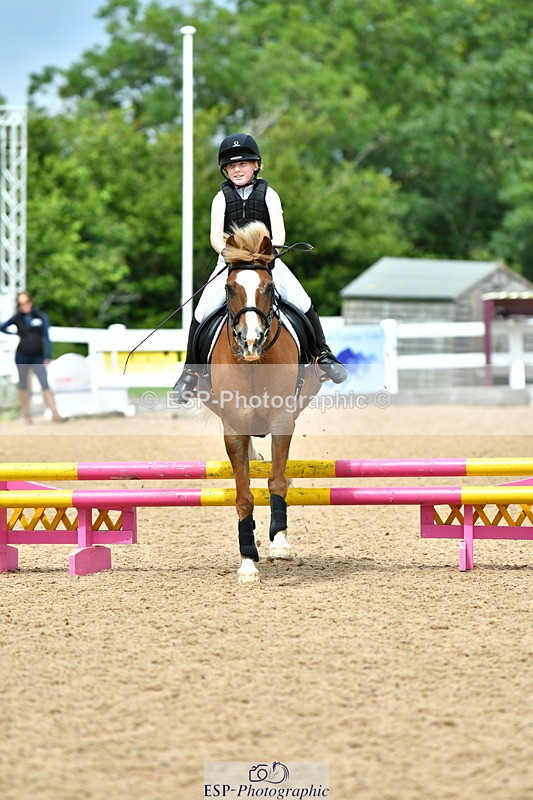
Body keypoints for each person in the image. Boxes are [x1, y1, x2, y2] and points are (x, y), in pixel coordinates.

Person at [173, 132, 348, 401]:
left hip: (267, 262)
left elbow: (279, 235)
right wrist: (233, 256)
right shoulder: (220, 198)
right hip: (231, 263)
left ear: (256, 165)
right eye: (231, 166)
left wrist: (266, 255)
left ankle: (322, 354)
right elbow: (214, 237)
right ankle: (191, 373)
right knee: (201, 310)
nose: (237, 169)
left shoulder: (269, 194)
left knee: (301, 300)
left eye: (242, 164)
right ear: (225, 170)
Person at [0, 291, 67, 423]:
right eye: (21, 304)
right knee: (24, 385)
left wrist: (47, 355)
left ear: (31, 302)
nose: (24, 306)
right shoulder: (17, 318)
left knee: (44, 383)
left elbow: (46, 337)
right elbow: (2, 327)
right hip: (22, 355)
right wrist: (14, 333)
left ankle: (55, 413)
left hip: (37, 355)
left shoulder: (40, 317)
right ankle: (26, 415)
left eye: (26, 302)